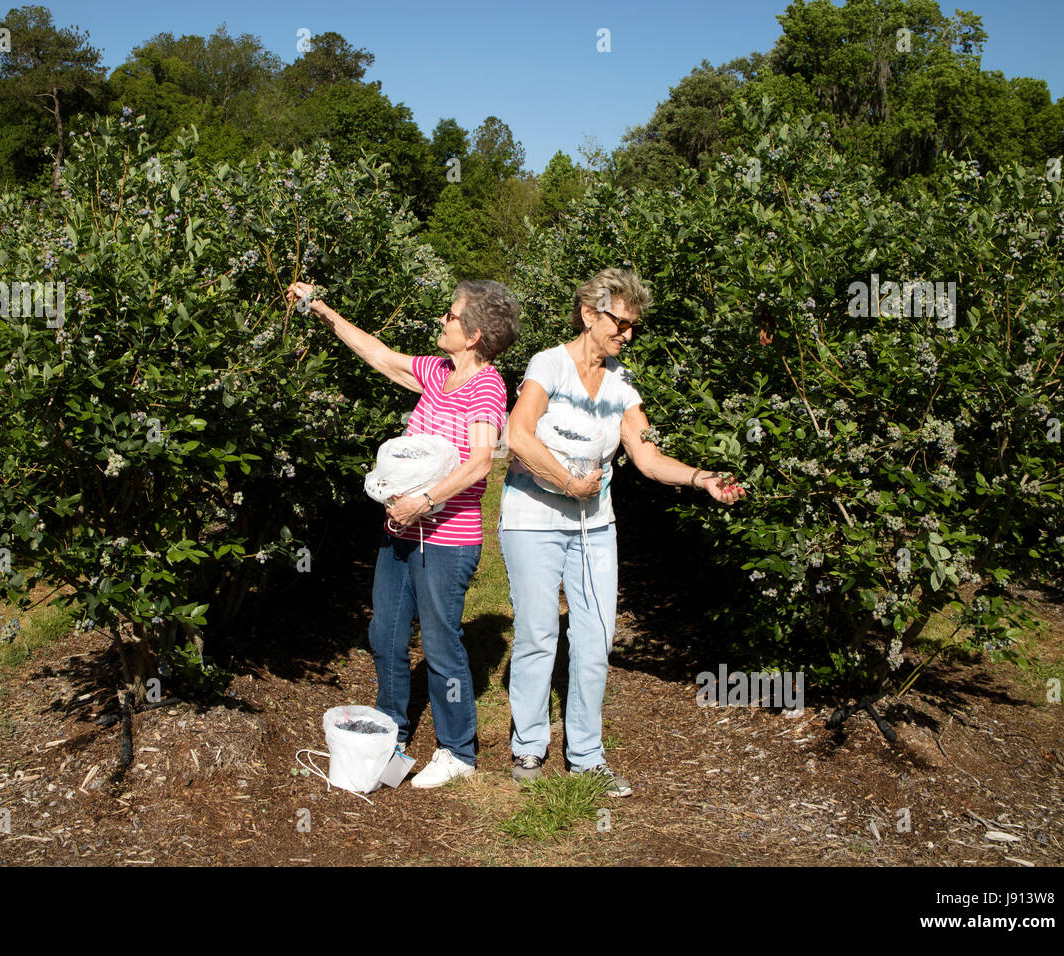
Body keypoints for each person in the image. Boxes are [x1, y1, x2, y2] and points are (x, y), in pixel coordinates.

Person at [499, 268, 745, 796]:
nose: (627, 334)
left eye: (634, 326)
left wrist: (702, 478)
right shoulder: (549, 365)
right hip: (533, 519)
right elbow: (517, 435)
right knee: (539, 634)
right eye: (621, 322)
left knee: (595, 638)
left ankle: (587, 754)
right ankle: (529, 744)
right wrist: (568, 481)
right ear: (590, 315)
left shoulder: (621, 385)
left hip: (594, 526)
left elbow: (647, 455)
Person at [285, 279, 520, 788]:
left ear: (475, 333)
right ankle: (391, 731)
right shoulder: (437, 374)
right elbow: (380, 355)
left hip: (446, 539)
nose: (442, 320)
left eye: (452, 316)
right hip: (401, 531)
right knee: (385, 636)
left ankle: (457, 750)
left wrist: (426, 500)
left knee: (440, 645)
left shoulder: (487, 387)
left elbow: (483, 461)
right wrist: (321, 310)